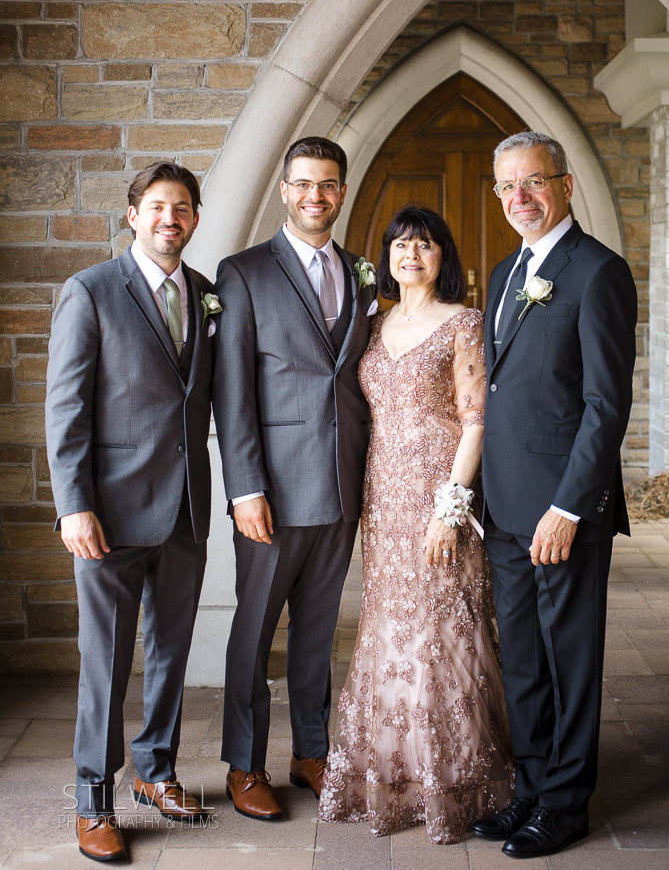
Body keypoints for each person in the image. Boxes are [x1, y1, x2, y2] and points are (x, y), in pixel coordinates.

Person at [318, 205, 514, 844]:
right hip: (383, 498)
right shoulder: (371, 324)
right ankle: (395, 772)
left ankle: (456, 776)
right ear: (388, 257)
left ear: (442, 258)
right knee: (389, 625)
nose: (411, 255)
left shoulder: (463, 324)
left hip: (436, 494)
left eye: (425, 246)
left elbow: (477, 420)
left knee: (445, 627)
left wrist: (451, 508)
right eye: (401, 245)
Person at [472, 132, 637, 858]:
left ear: (565, 186)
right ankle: (531, 790)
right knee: (523, 662)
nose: (520, 199)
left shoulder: (598, 272)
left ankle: (567, 804)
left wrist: (570, 507)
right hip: (504, 508)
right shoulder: (508, 271)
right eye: (508, 187)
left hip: (560, 509)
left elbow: (606, 404)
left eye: (534, 182)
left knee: (569, 661)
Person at [45, 162, 216, 862]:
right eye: (156, 207)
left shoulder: (206, 295)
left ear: (195, 219)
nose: (169, 218)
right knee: (106, 663)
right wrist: (73, 506)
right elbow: (66, 409)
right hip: (108, 515)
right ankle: (94, 798)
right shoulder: (89, 292)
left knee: (171, 653)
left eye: (181, 207)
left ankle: (157, 772)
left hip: (183, 508)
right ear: (132, 215)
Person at [212, 137, 377, 821]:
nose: (317, 196)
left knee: (317, 630)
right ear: (285, 189)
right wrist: (245, 488)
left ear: (342, 191)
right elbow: (233, 390)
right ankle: (245, 764)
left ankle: (313, 750)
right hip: (273, 493)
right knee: (254, 633)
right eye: (305, 184)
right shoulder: (244, 271)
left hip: (342, 485)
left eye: (330, 185)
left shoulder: (364, 273)